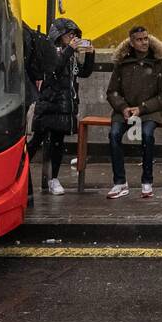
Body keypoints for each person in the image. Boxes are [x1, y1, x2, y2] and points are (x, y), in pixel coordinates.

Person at [105, 25, 162, 199]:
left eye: (146, 38)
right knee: (113, 135)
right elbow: (112, 91)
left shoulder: (159, 62)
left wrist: (142, 108)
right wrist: (123, 108)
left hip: (150, 111)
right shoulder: (122, 63)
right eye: (139, 39)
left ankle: (147, 181)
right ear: (132, 43)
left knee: (147, 134)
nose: (144, 42)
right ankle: (120, 182)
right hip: (125, 110)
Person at [28, 17, 95, 196]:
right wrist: (69, 50)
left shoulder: (70, 56)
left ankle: (53, 179)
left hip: (64, 107)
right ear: (59, 35)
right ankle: (20, 172)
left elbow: (84, 72)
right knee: (36, 142)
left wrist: (90, 54)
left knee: (58, 143)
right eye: (69, 34)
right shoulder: (50, 51)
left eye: (74, 35)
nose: (72, 38)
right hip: (48, 105)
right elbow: (54, 68)